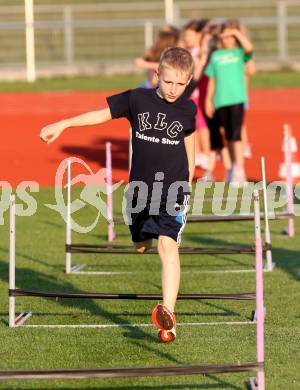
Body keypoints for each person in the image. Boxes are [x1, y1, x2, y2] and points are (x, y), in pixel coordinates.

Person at [40, 47, 197, 343]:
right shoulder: (136, 99)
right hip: (139, 191)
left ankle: (168, 316)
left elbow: (190, 141)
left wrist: (188, 180)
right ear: (156, 75)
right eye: (168, 82)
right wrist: (64, 124)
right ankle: (141, 238)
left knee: (168, 247)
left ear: (188, 82)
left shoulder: (188, 109)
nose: (174, 89)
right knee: (141, 244)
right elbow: (100, 115)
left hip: (174, 190)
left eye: (180, 84)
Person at [205, 19, 254, 184]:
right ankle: (233, 167)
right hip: (220, 100)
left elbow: (250, 48)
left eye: (230, 36)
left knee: (236, 135)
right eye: (224, 36)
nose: (227, 39)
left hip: (236, 99)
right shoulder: (216, 55)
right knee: (228, 136)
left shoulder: (240, 52)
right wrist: (208, 100)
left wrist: (235, 33)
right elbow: (212, 79)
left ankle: (240, 169)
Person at [182, 19, 211, 170]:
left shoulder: (199, 51)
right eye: (185, 35)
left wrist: (204, 41)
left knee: (199, 122)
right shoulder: (189, 51)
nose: (187, 39)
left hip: (196, 92)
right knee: (195, 122)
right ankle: (199, 152)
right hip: (190, 92)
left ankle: (205, 152)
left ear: (198, 36)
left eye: (190, 35)